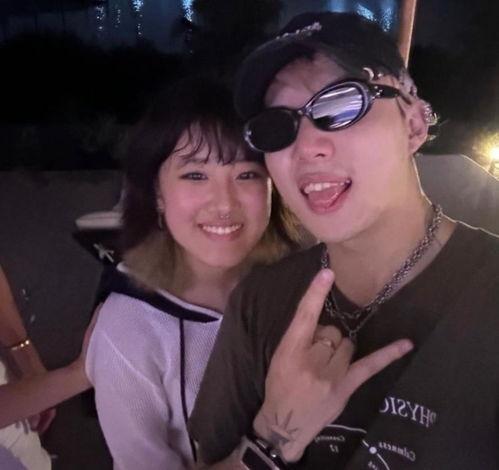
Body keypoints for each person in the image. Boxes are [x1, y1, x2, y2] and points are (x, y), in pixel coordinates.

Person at [189, 12, 499, 469]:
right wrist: (270, 438)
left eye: (341, 106)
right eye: (277, 127)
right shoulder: (261, 303)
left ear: (414, 124)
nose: (306, 147)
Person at [85, 75, 300, 470]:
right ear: (157, 193)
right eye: (196, 175)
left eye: (247, 174)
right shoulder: (130, 327)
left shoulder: (302, 284)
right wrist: (268, 445)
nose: (224, 203)